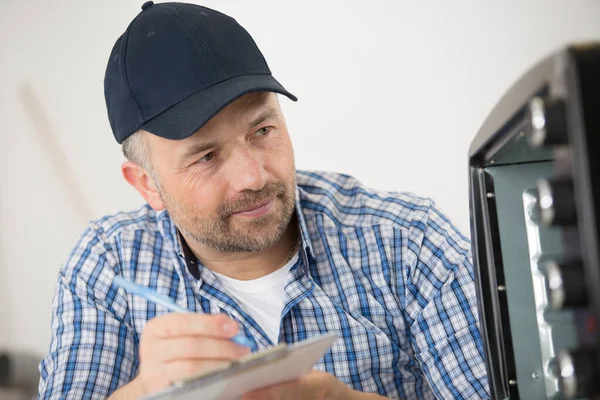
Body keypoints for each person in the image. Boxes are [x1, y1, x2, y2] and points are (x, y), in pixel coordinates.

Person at [38, 2, 490, 399]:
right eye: (207, 156)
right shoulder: (107, 267)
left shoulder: (409, 243)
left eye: (263, 131)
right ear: (146, 184)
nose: (253, 176)